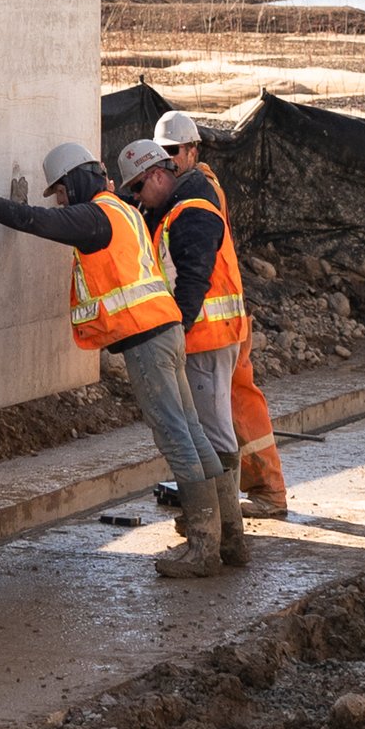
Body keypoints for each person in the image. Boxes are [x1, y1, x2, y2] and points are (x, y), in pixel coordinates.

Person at [0, 137, 231, 577]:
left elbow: (34, 220)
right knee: (192, 430)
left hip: (147, 341)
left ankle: (203, 547)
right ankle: (229, 535)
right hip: (169, 330)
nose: (62, 201)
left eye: (61, 191)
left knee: (175, 436)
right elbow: (50, 218)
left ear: (77, 181)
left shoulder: (96, 216)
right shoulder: (121, 210)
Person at [120, 135, 253, 564]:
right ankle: (223, 533)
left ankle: (218, 537)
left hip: (204, 336)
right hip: (204, 335)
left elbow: (192, 282)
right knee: (206, 431)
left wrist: (173, 333)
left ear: (160, 174)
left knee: (208, 434)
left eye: (139, 188)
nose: (137, 199)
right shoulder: (175, 201)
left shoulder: (191, 210)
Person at [153, 108, 286, 514]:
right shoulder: (185, 189)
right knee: (226, 410)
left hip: (217, 324)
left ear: (193, 150)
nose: (168, 159)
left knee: (235, 411)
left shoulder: (199, 190)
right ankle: (232, 496)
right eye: (161, 153)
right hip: (220, 322)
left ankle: (260, 496)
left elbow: (195, 269)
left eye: (174, 150)